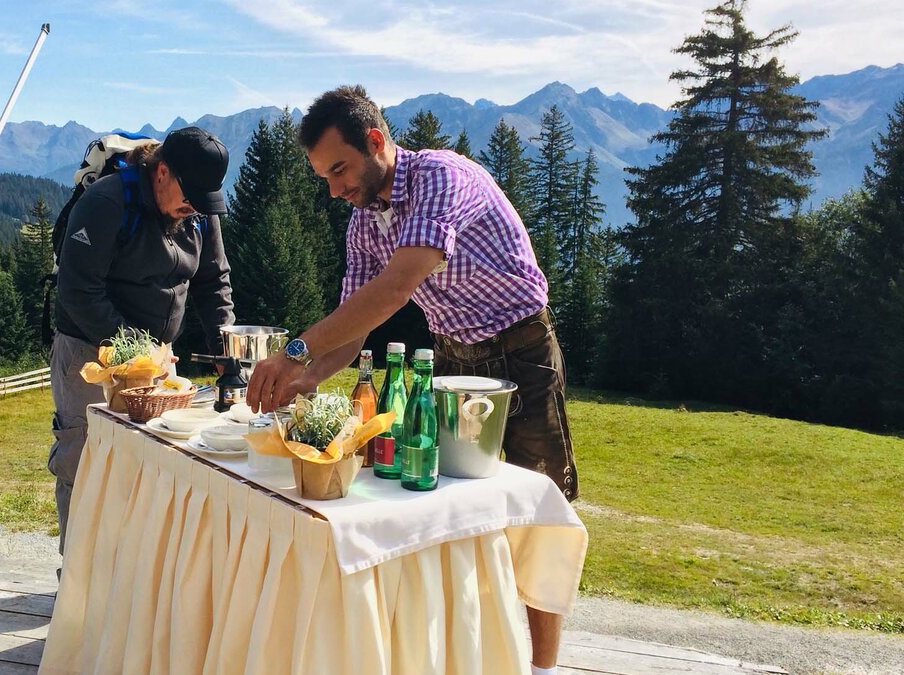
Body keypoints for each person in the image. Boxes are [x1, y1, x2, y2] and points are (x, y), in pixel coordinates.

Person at [247, 85, 577, 674]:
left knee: (535, 512)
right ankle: (472, 657)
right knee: (455, 511)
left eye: (341, 169)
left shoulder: (438, 178)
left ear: (376, 141)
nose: (336, 189)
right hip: (451, 360)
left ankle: (544, 668)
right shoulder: (363, 223)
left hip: (520, 353)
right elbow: (353, 332)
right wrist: (303, 377)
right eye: (325, 177)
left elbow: (397, 287)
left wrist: (294, 349)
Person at [48, 126, 234, 556]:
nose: (194, 211)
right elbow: (78, 292)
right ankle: (78, 581)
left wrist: (228, 353)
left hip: (156, 358)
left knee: (152, 466)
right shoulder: (107, 203)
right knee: (86, 461)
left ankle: (132, 584)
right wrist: (135, 351)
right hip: (88, 351)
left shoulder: (199, 209)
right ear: (162, 172)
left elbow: (214, 281)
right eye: (189, 199)